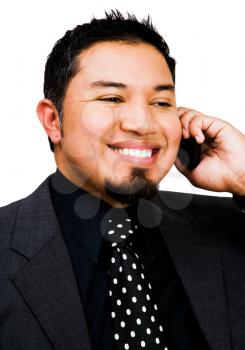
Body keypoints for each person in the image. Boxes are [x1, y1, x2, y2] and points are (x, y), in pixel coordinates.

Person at [0, 10, 245, 350]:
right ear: (53, 120)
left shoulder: (231, 230)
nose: (142, 123)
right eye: (112, 98)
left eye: (161, 102)